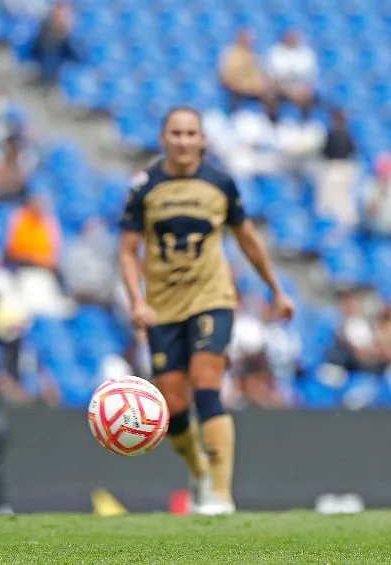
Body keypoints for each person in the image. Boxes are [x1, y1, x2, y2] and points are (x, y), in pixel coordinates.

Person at [118, 107, 294, 515]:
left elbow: (247, 239)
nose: (183, 140)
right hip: (162, 307)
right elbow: (127, 250)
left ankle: (221, 492)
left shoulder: (220, 182)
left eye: (190, 133)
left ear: (202, 139)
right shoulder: (144, 186)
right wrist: (137, 301)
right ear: (163, 138)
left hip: (212, 297)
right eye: (175, 133)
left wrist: (276, 290)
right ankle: (199, 471)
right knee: (173, 403)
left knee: (206, 382)